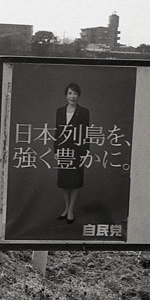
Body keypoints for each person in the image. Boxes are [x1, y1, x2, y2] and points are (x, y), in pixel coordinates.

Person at [55, 82, 89, 224]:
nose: (72, 96)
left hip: (77, 151)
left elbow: (86, 133)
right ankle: (66, 207)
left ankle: (71, 210)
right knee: (64, 182)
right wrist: (55, 150)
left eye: (75, 93)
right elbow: (57, 131)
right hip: (63, 150)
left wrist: (85, 152)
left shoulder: (84, 112)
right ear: (65, 95)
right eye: (70, 93)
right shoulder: (59, 111)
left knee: (74, 182)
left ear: (79, 96)